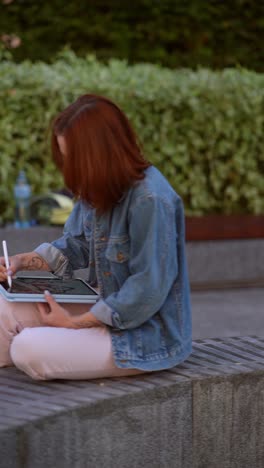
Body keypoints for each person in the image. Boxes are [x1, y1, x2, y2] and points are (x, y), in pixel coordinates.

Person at [0, 94, 192, 381]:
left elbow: (146, 290)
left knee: (28, 348)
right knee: (3, 311)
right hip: (102, 309)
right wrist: (19, 262)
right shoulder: (98, 186)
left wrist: (74, 324)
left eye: (72, 159)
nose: (69, 168)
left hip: (143, 336)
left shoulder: (151, 199)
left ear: (98, 155)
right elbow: (72, 247)